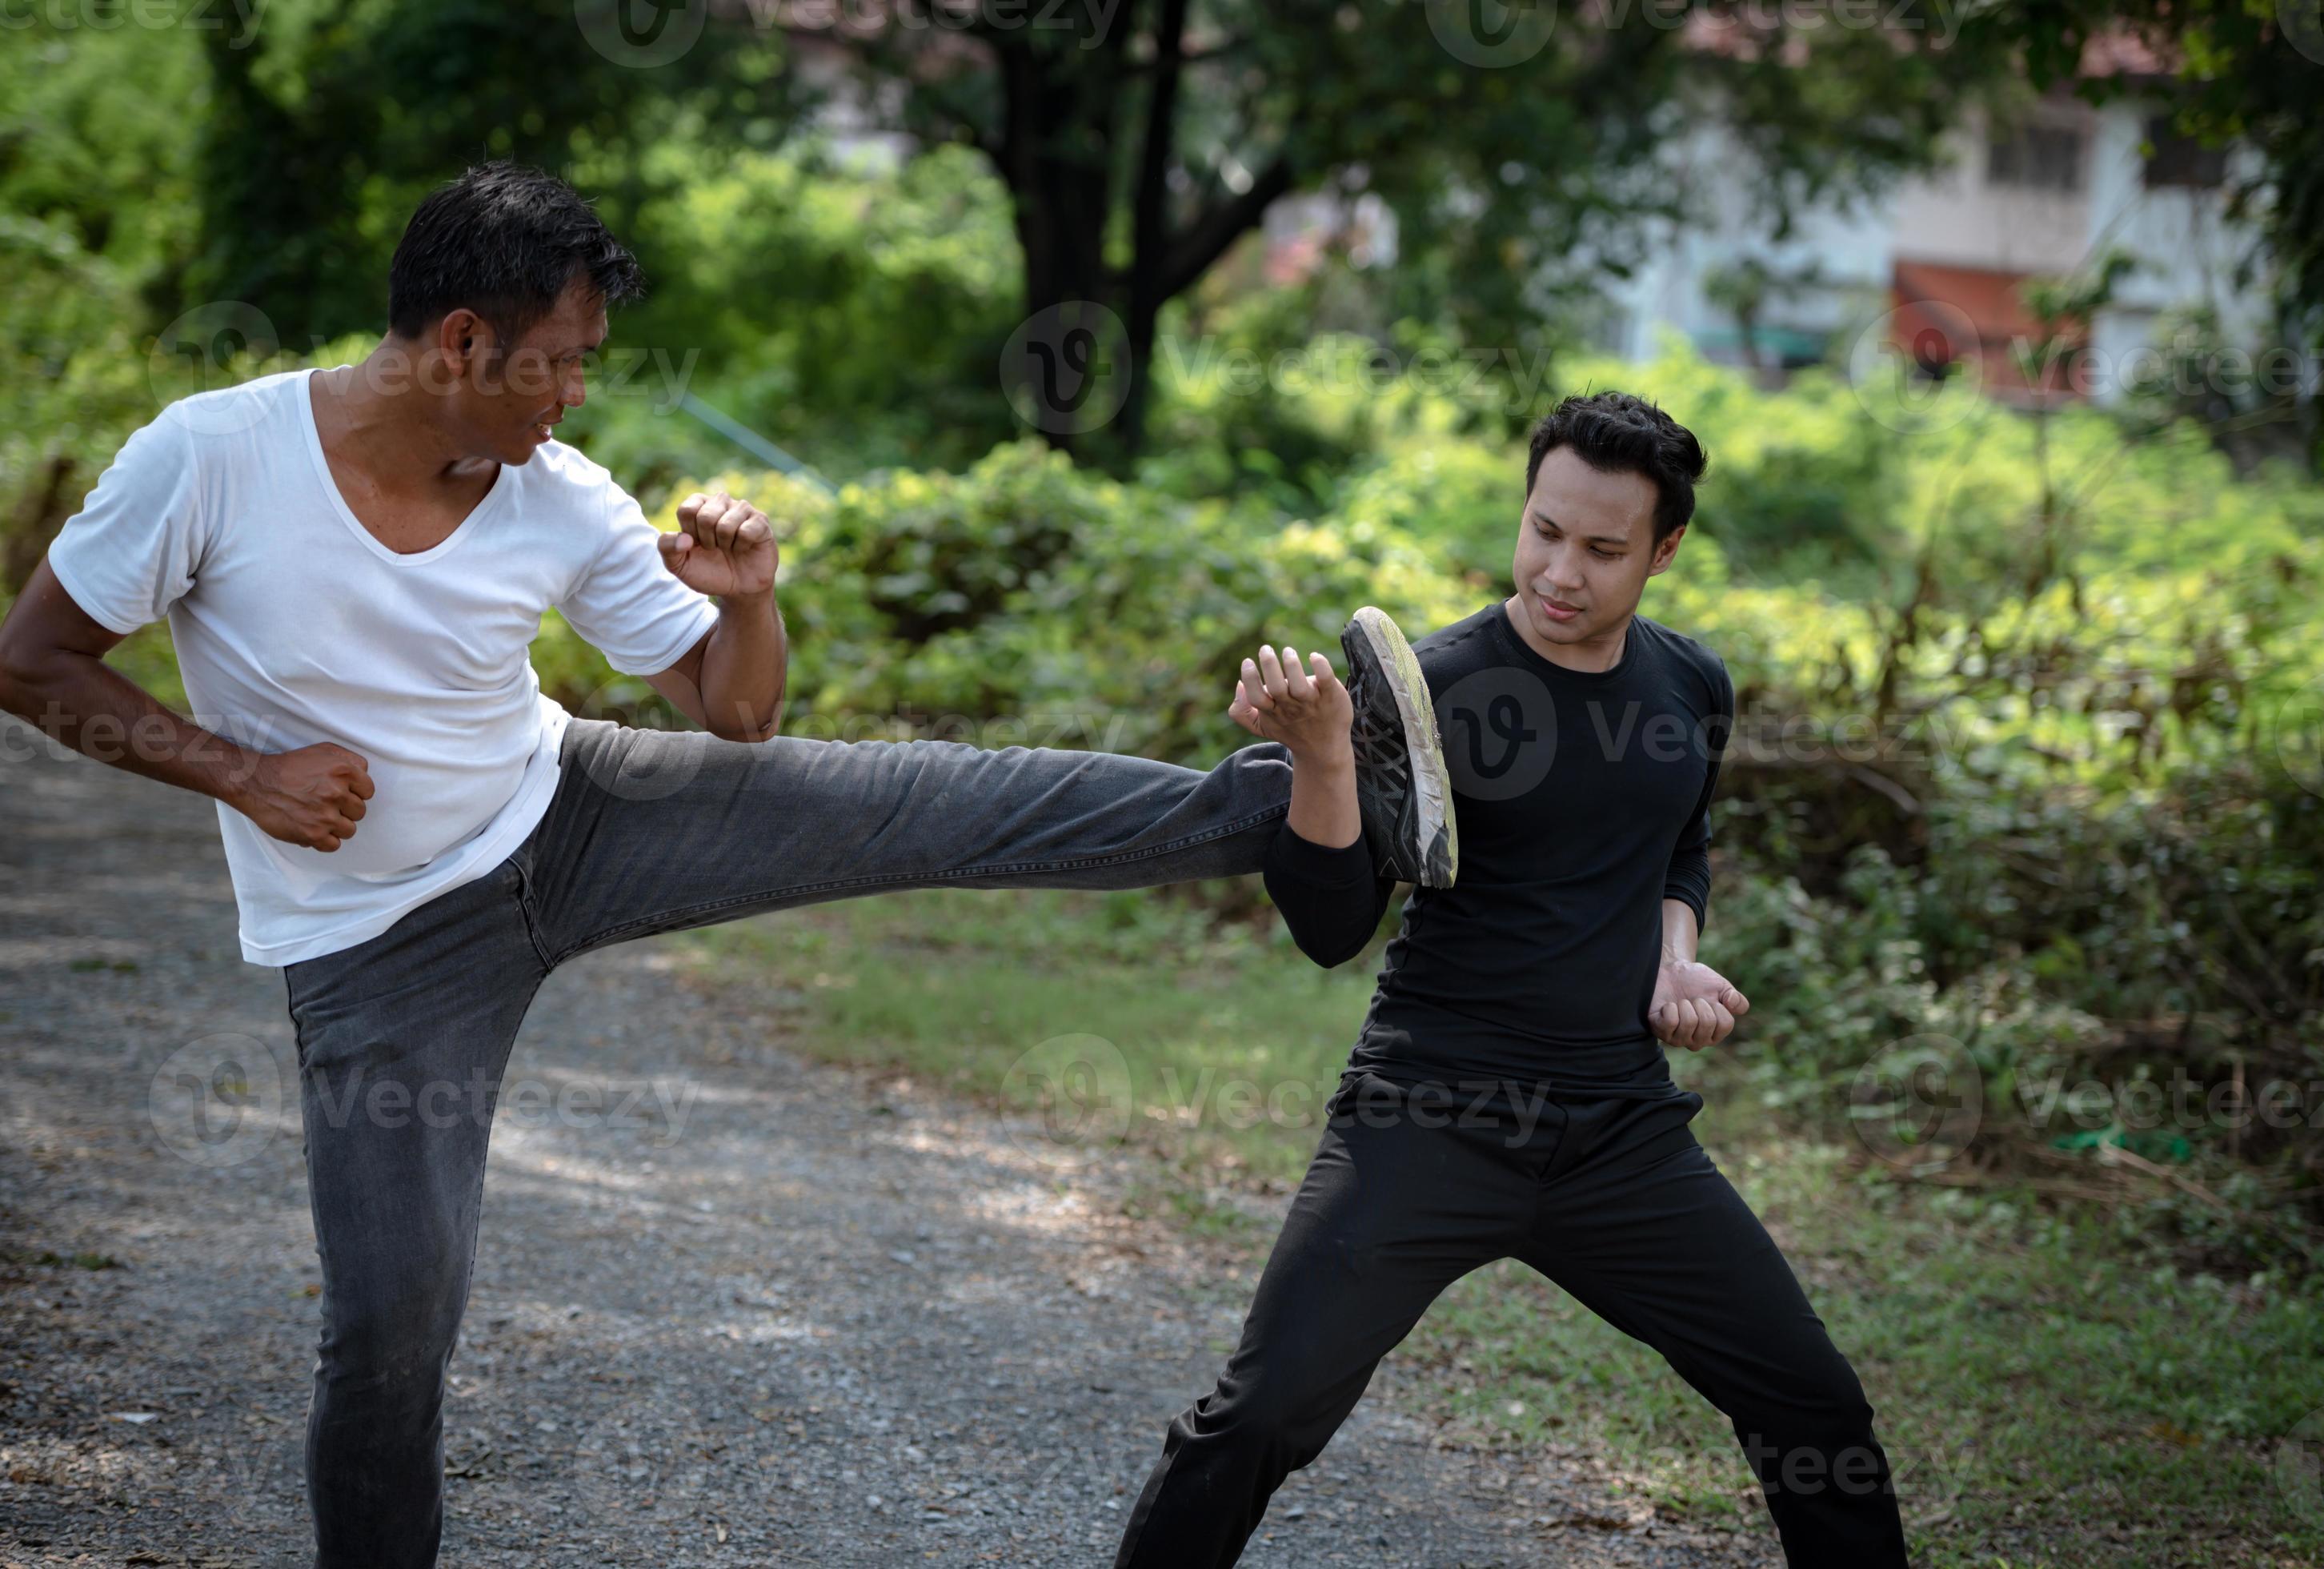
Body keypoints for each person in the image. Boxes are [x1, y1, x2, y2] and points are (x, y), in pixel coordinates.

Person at [0, 162, 1458, 1569]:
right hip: (379, 948)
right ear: (460, 339)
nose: (580, 392)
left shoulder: (556, 491)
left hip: (570, 812)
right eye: (562, 361)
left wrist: (751, 604)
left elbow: (740, 714)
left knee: (932, 805)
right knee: (389, 1322)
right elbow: (34, 662)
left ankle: (1312, 787)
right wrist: (240, 774)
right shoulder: (212, 458)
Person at [1116, 392, 1910, 1567]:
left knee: (1817, 1413)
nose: (1561, 572)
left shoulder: (1692, 686)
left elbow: (1675, 845)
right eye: (1544, 531)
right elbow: (1332, 926)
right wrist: (1324, 757)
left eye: (1602, 549)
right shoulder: (1432, 686)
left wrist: (1675, 958)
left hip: (1619, 1134)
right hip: (1429, 1113)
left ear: (1666, 550)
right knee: (1263, 1413)